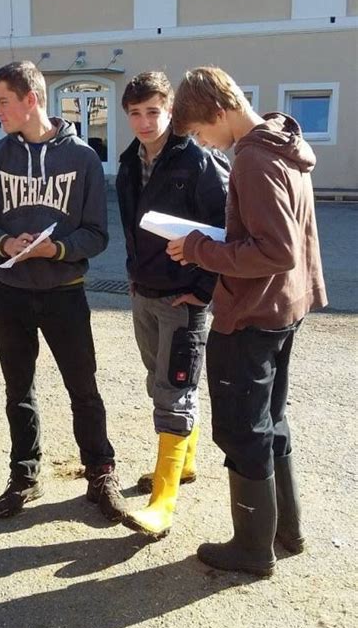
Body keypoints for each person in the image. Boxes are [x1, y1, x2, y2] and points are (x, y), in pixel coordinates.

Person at [167, 65, 327, 575]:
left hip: (253, 314)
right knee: (270, 420)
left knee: (242, 430)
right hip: (285, 306)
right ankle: (287, 531)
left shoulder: (253, 159)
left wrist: (198, 248)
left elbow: (274, 250)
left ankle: (253, 549)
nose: (206, 146)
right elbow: (281, 241)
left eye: (200, 133)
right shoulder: (282, 144)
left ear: (219, 112)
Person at [0, 60, 125, 521]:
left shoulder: (83, 159)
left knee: (84, 387)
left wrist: (56, 249)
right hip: (9, 291)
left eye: (2, 101)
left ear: (31, 100)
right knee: (18, 389)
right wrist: (2, 243)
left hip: (64, 291)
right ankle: (25, 474)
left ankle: (100, 471)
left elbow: (97, 234)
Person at [116, 71, 229, 539]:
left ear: (170, 111)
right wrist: (135, 276)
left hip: (184, 298)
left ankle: (162, 501)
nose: (144, 122)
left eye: (153, 112)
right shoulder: (128, 162)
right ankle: (184, 464)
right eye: (135, 114)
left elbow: (227, 228)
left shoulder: (200, 159)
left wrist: (203, 290)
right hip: (146, 292)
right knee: (160, 380)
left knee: (174, 387)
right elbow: (131, 227)